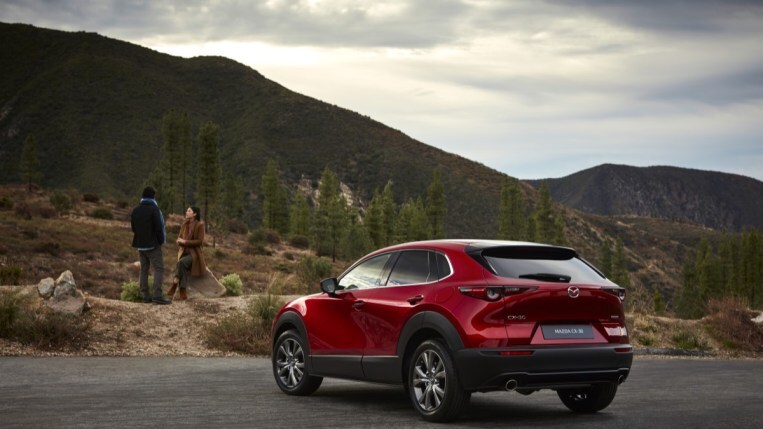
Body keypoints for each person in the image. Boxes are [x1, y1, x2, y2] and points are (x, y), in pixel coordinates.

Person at [130, 186, 171, 305]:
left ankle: (145, 295)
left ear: (143, 196)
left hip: (140, 245)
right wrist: (160, 241)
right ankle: (158, 295)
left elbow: (133, 228)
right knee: (159, 268)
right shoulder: (154, 209)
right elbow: (159, 228)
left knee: (144, 269)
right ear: (153, 196)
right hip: (153, 245)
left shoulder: (136, 210)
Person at [168, 206, 206, 301]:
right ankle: (182, 293)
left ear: (194, 214)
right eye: (187, 210)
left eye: (189, 211)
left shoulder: (200, 225)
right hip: (183, 252)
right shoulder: (184, 224)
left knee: (180, 263)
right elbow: (179, 238)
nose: (186, 212)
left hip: (194, 254)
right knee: (182, 266)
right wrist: (179, 241)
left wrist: (185, 242)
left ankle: (176, 283)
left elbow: (200, 241)